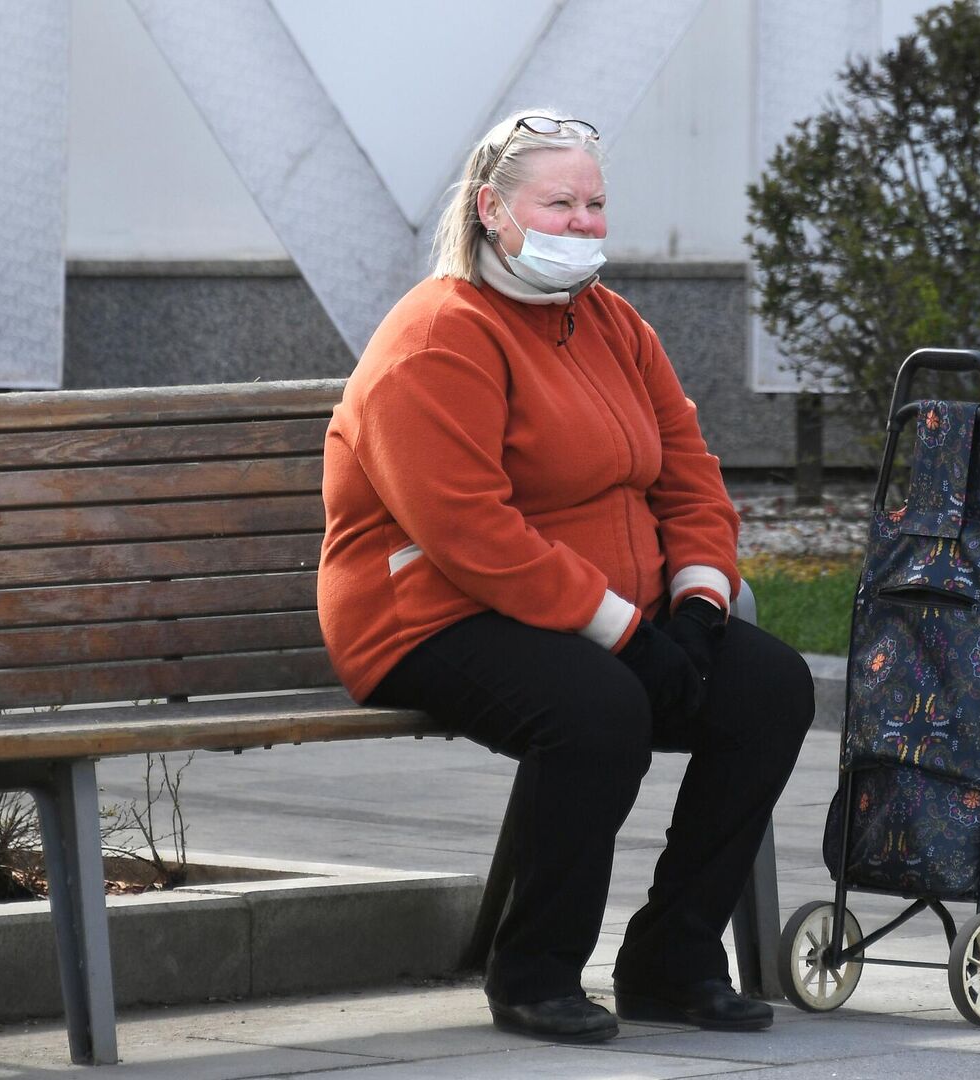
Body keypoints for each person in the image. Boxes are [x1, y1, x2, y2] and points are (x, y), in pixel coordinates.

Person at [317, 109, 815, 1044]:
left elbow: (690, 476)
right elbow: (471, 534)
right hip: (428, 616)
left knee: (769, 687)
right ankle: (535, 970)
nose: (582, 222)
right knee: (599, 711)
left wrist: (700, 605)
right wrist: (626, 632)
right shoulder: (439, 335)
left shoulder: (614, 325)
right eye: (559, 202)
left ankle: (671, 958)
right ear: (489, 210)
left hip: (587, 615)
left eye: (595, 204)